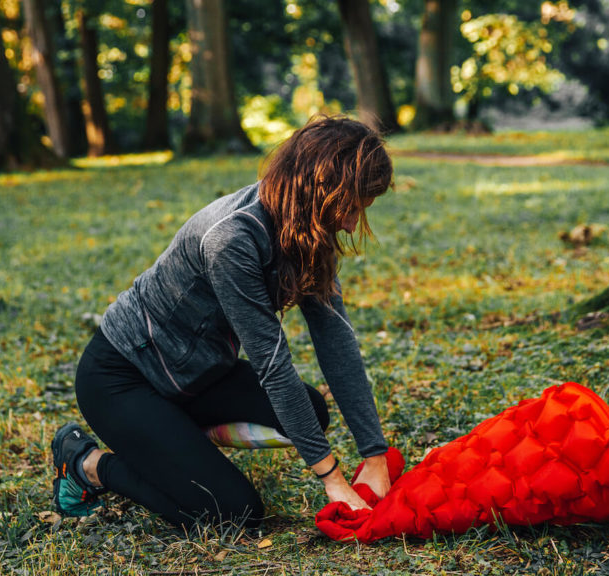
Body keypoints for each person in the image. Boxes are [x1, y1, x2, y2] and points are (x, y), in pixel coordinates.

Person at [51, 116, 394, 531]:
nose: (351, 224)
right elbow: (272, 364)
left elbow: (335, 340)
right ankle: (87, 464)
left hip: (199, 377)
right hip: (123, 380)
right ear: (318, 189)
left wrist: (375, 455)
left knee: (311, 412)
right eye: (350, 207)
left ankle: (171, 441)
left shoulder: (308, 230)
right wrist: (333, 480)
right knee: (231, 512)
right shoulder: (231, 239)